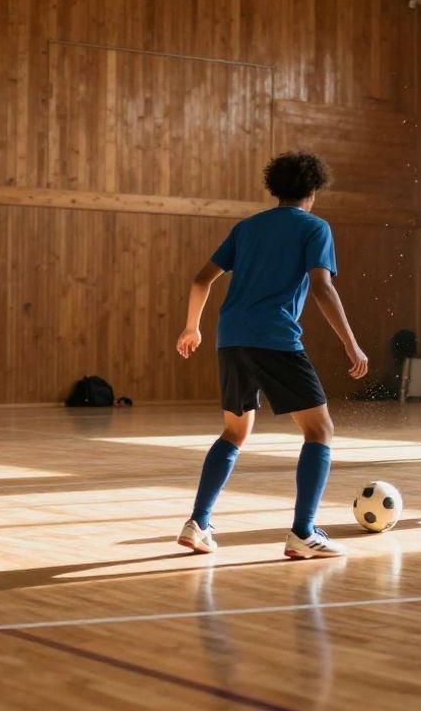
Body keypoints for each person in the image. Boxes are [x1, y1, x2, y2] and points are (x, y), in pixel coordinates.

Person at [175, 151, 369, 559]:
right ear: (312, 191)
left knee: (235, 432)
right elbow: (322, 287)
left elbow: (200, 279)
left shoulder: (247, 228)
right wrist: (351, 342)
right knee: (320, 431)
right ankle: (302, 533)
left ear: (275, 187)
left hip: (230, 339)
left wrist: (192, 326)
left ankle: (198, 523)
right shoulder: (315, 228)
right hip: (275, 338)